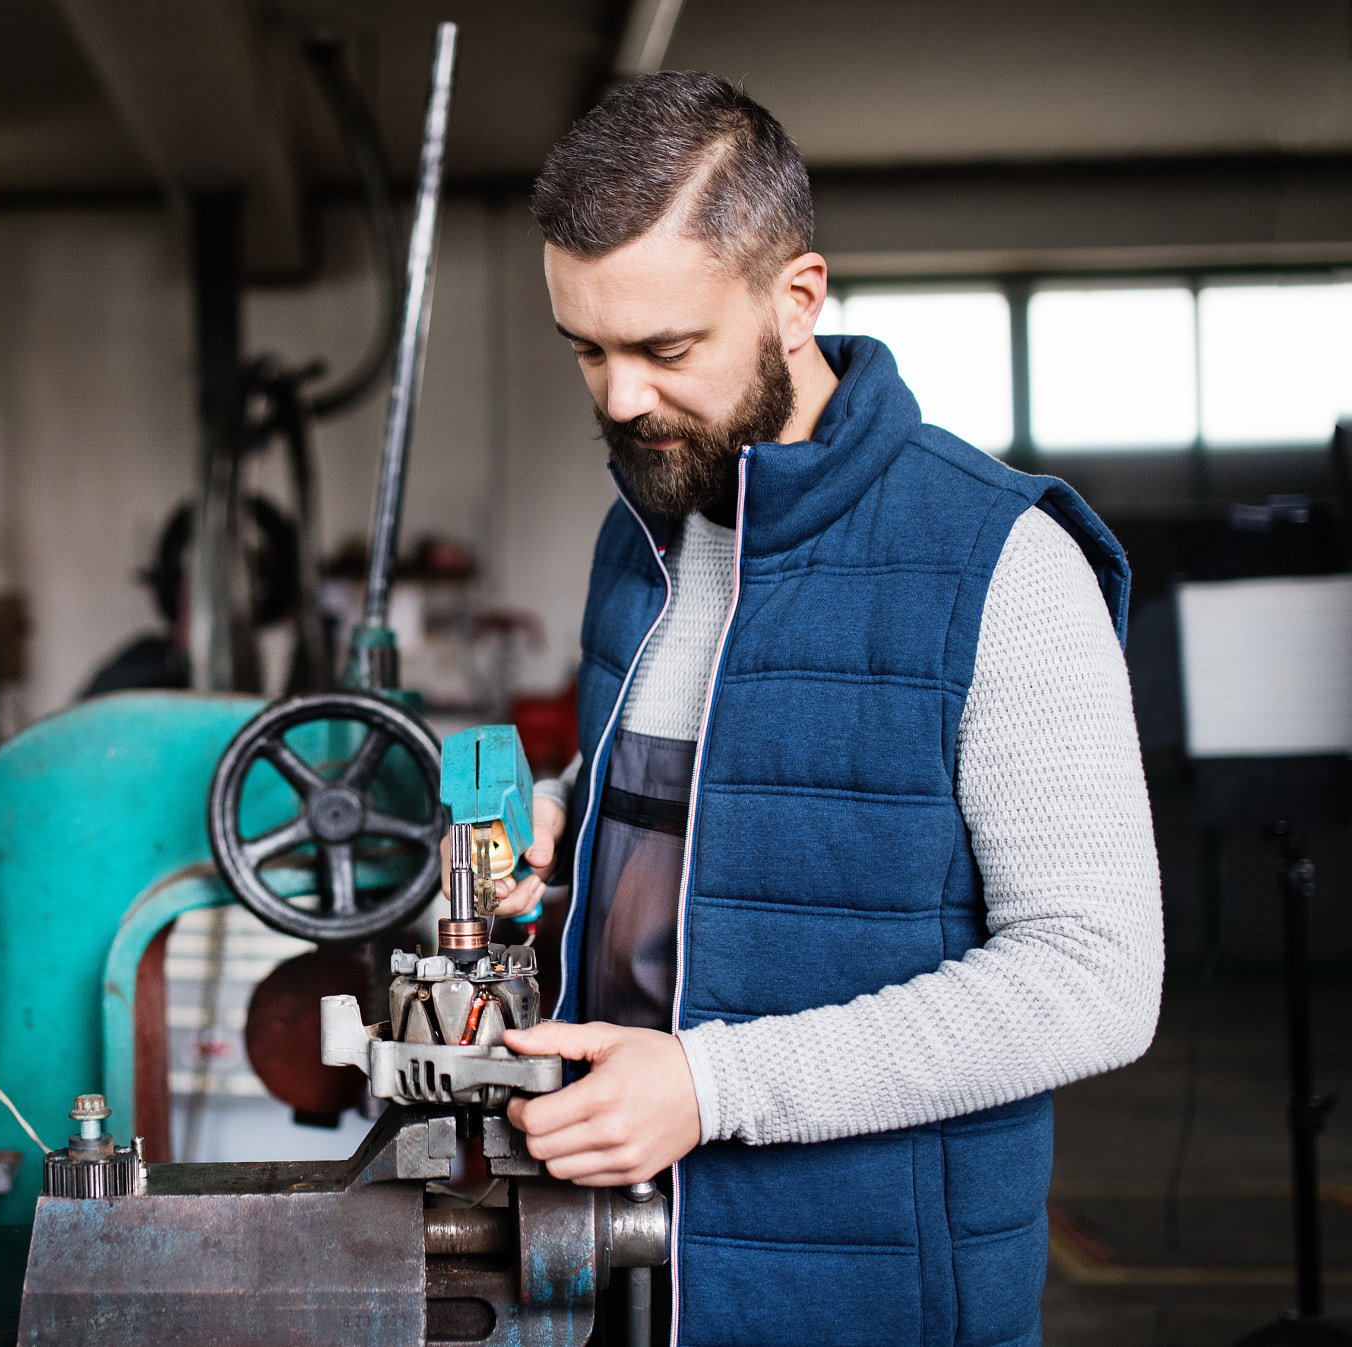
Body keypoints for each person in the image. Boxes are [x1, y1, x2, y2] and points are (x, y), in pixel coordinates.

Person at [483, 72, 1162, 1345]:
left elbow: (1094, 977)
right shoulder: (643, 534)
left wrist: (711, 1082)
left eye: (663, 350)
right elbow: (703, 812)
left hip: (866, 1298)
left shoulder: (998, 565)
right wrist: (565, 837)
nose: (619, 397)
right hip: (615, 1270)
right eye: (586, 347)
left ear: (795, 298)